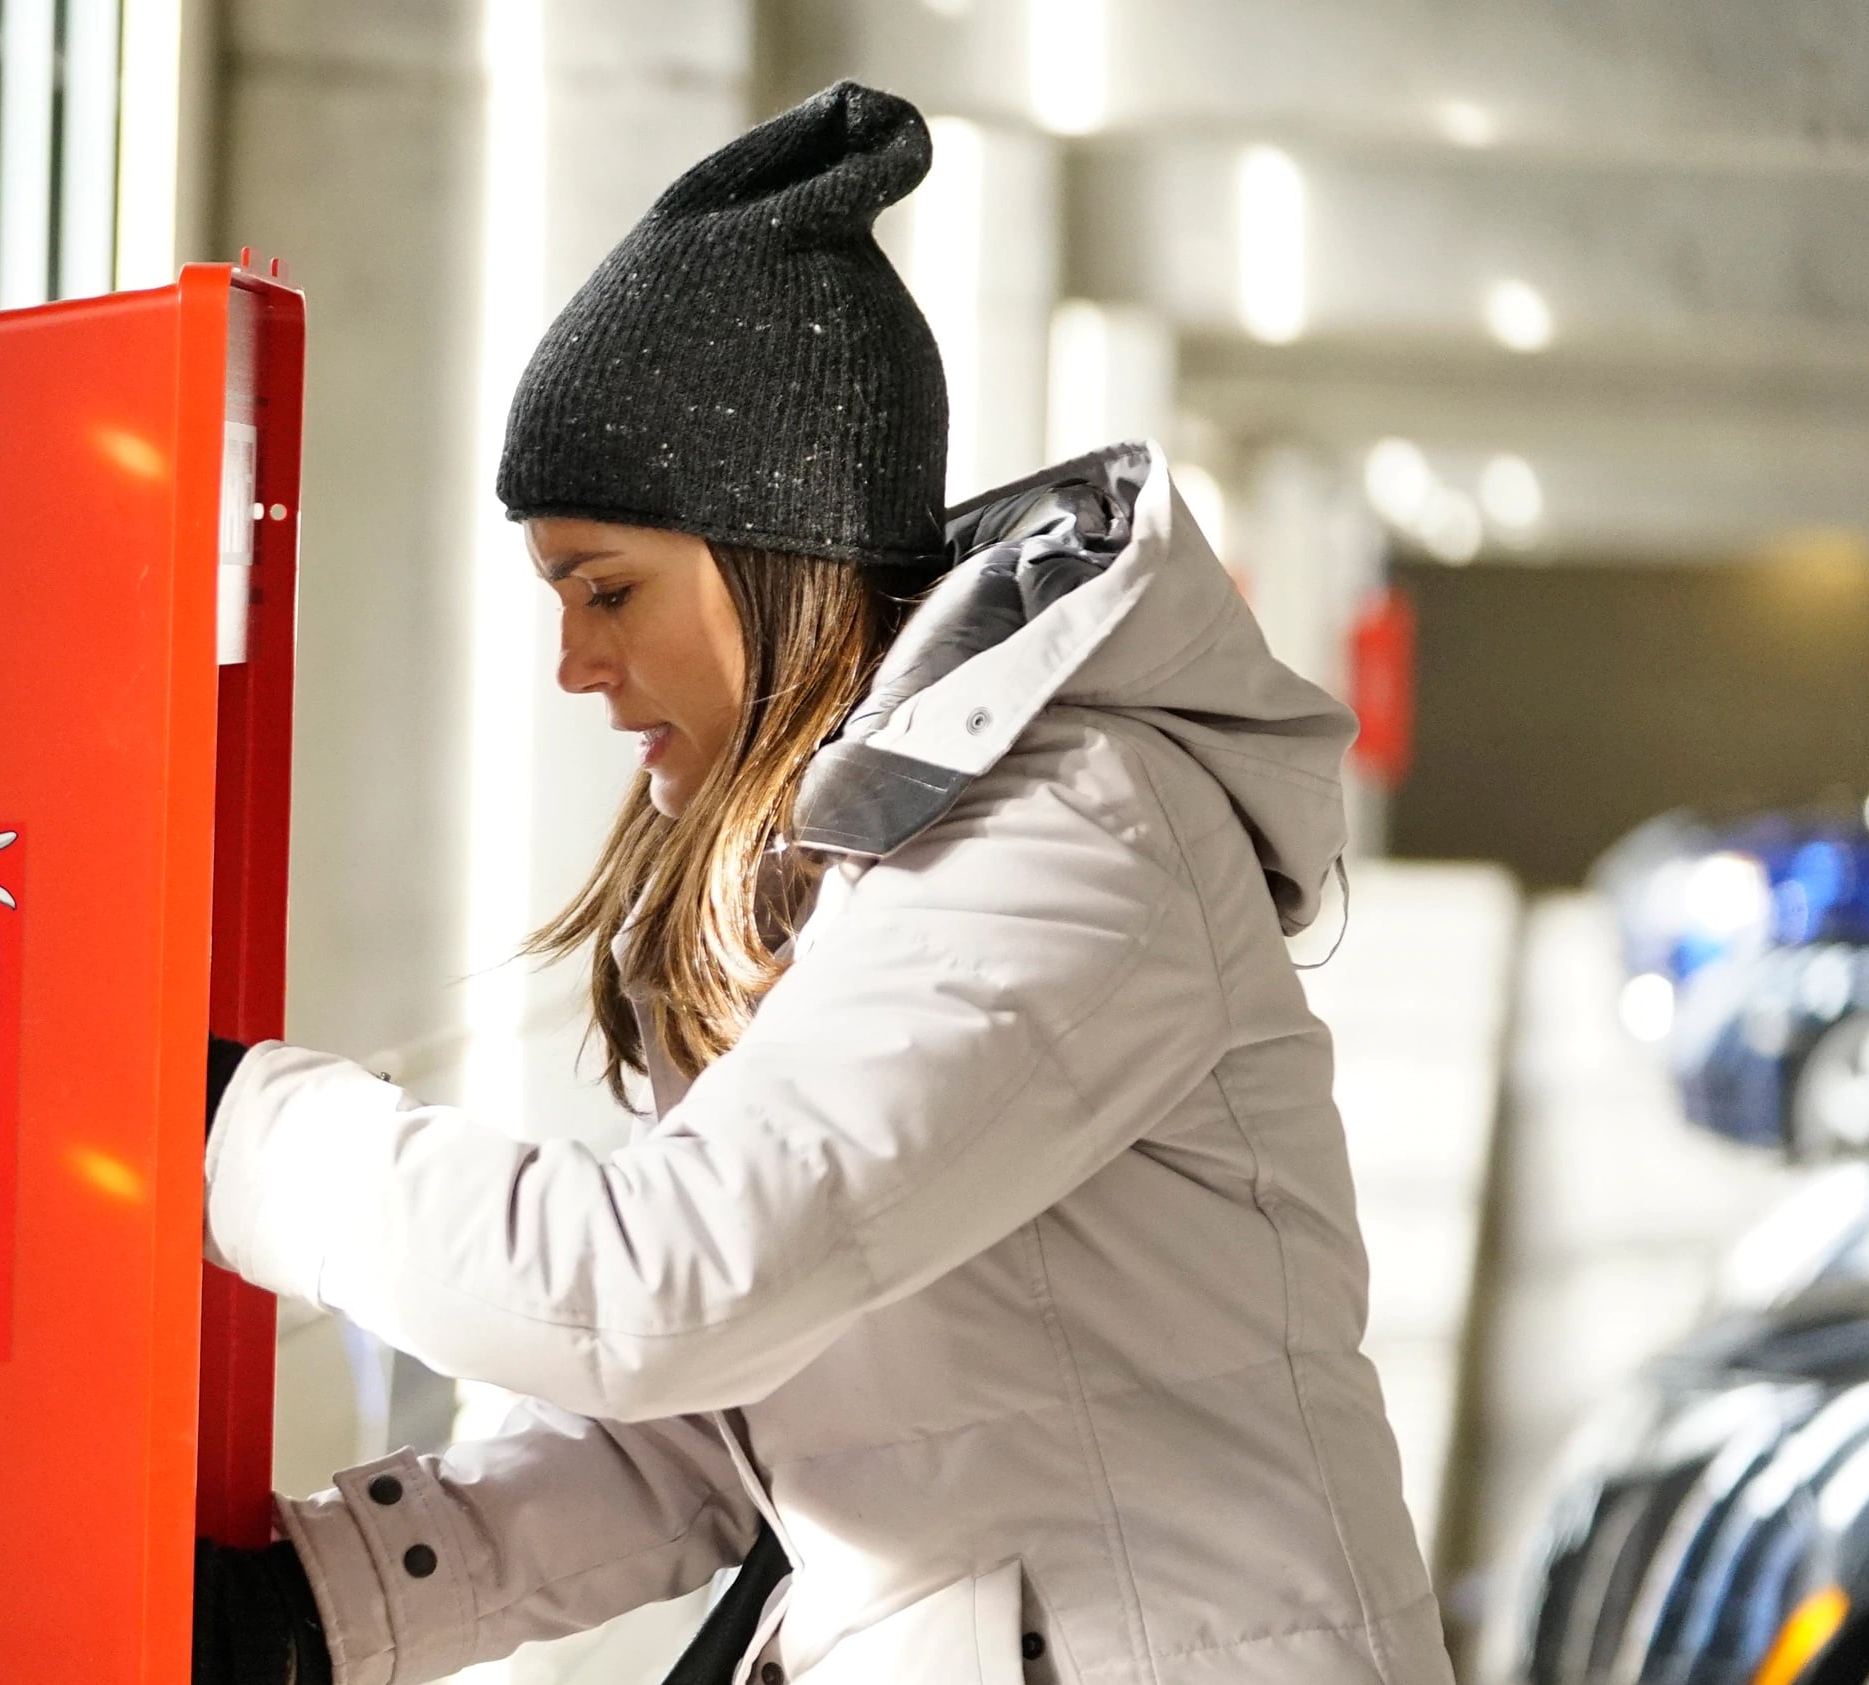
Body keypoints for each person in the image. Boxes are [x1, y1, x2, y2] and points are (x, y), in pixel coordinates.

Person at [194, 83, 1452, 1685]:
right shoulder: (846, 871)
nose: (576, 661)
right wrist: (330, 1601)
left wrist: (224, 1124)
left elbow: (658, 1293)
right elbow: (738, 1421)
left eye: (607, 588)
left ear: (771, 546)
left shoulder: (1067, 837)